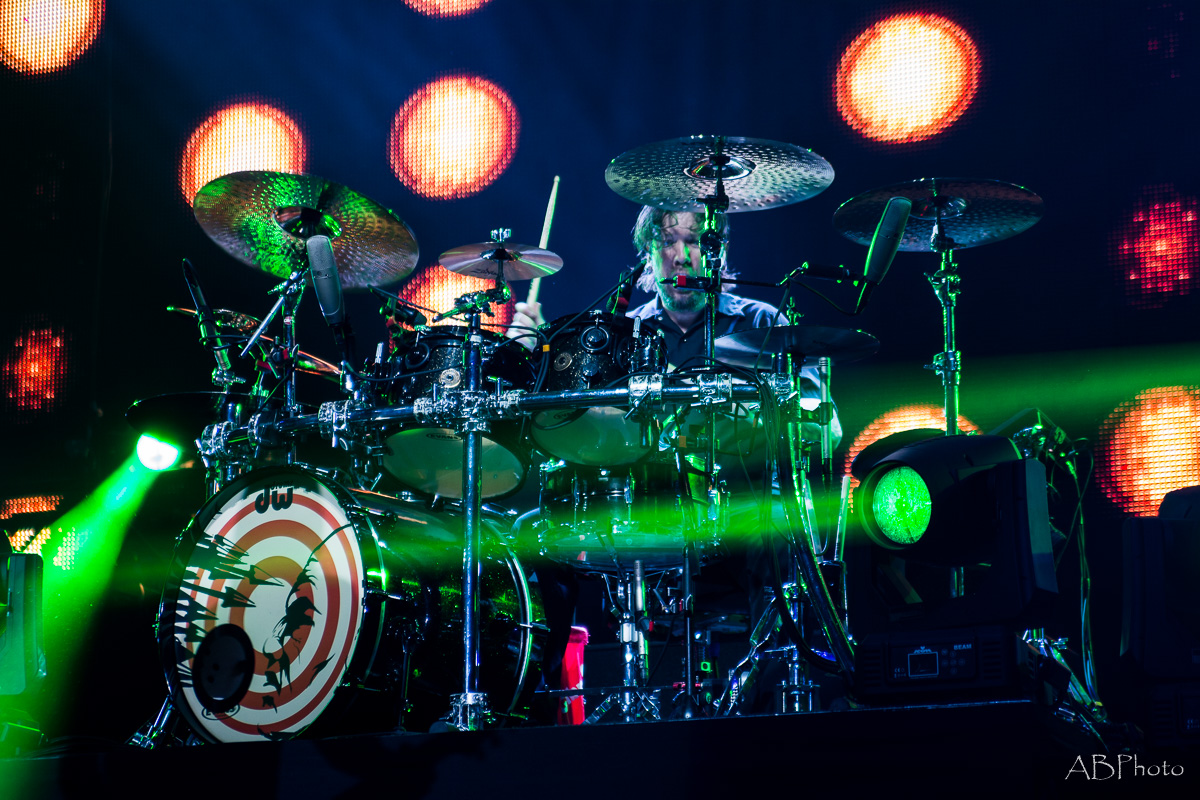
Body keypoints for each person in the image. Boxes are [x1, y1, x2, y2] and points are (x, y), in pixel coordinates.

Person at [508, 205, 842, 714]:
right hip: (646, 512)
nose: (681, 255)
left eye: (696, 240)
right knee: (532, 533)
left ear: (719, 252)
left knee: (779, 527)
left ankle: (761, 706)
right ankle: (537, 708)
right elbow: (578, 430)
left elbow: (826, 426)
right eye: (666, 241)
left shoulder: (764, 324)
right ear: (647, 255)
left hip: (737, 515)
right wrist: (533, 355)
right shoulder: (622, 335)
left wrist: (753, 419)